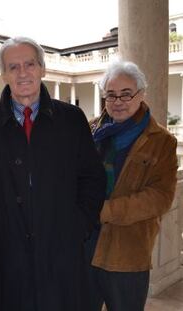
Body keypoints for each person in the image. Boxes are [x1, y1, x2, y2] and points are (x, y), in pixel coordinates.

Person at [0, 36, 107, 311]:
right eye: (13, 67)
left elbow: (92, 177)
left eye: (30, 64)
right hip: (9, 251)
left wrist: (79, 225)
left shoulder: (72, 119)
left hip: (62, 248)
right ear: (3, 74)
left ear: (43, 69)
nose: (23, 73)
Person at [86, 60, 178, 311]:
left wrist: (105, 210)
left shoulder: (161, 141)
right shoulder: (90, 129)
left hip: (126, 251)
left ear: (141, 94)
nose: (117, 102)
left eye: (126, 94)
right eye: (111, 95)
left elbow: (159, 197)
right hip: (84, 244)